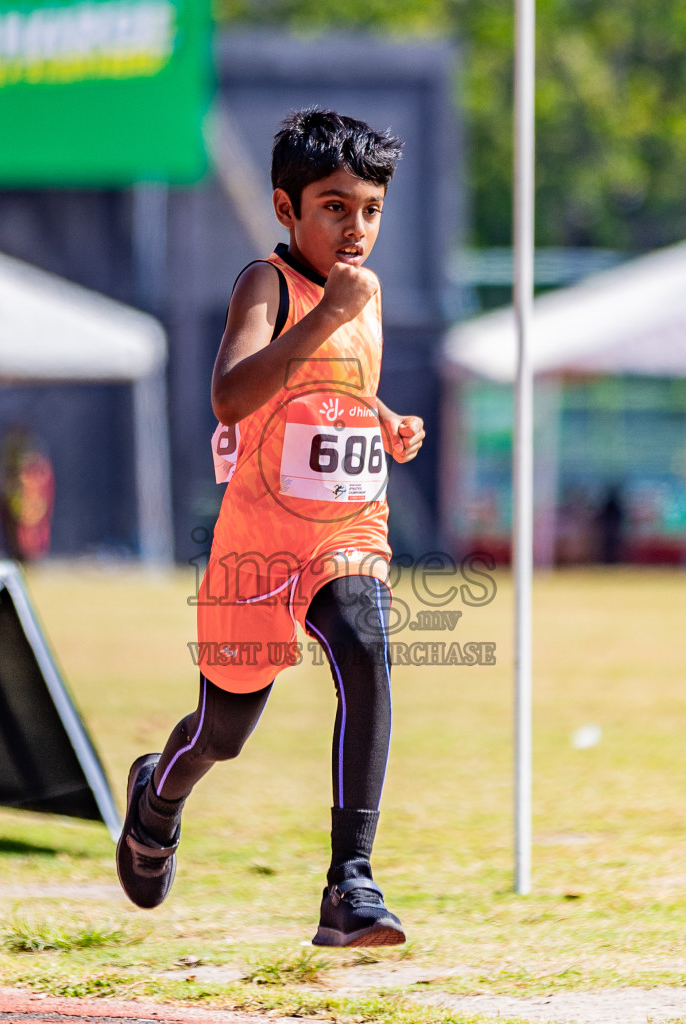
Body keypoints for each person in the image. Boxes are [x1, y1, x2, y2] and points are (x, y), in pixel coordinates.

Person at [115, 109, 425, 948]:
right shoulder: (269, 285)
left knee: (367, 643)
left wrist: (384, 419)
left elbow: (336, 385)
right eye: (333, 207)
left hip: (346, 530)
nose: (354, 228)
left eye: (369, 209)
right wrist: (324, 315)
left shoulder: (368, 297)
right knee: (225, 732)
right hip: (258, 544)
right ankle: (158, 796)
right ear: (287, 209)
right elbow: (232, 395)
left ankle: (350, 882)